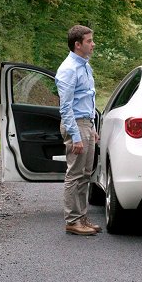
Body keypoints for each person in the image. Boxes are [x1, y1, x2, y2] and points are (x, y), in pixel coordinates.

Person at [55, 24, 101, 236]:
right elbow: (65, 107)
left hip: (86, 124)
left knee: (85, 174)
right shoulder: (68, 69)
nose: (93, 45)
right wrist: (76, 135)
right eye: (89, 41)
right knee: (74, 174)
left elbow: (87, 98)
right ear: (77, 44)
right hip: (76, 124)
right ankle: (72, 220)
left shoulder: (84, 65)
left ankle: (81, 217)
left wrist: (92, 128)